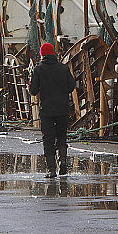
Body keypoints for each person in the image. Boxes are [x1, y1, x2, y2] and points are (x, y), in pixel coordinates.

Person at [30, 42, 76, 178]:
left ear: (42, 54)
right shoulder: (63, 68)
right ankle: (63, 163)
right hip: (63, 109)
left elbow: (33, 91)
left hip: (47, 110)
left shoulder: (38, 69)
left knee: (48, 139)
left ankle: (51, 170)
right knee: (62, 136)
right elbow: (71, 86)